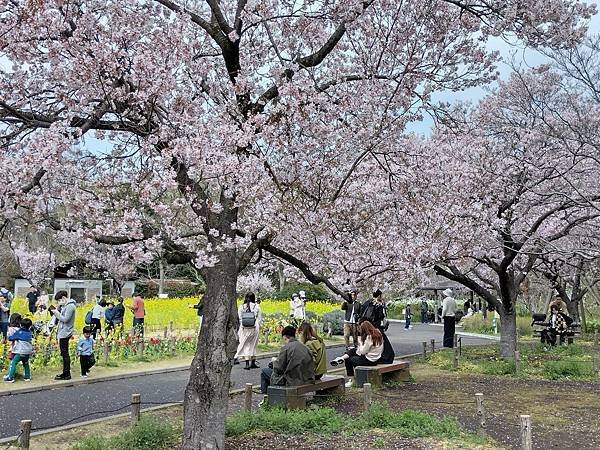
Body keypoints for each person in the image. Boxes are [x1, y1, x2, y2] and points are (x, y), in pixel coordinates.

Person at [259, 326, 314, 397]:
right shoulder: (305, 347)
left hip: (292, 381)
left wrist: (274, 363)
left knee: (264, 372)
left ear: (285, 337)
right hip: (307, 380)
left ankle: (267, 398)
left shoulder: (286, 348)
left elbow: (279, 369)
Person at [331, 321, 384, 388]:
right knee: (353, 350)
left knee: (349, 360)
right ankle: (340, 358)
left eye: (361, 329)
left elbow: (362, 352)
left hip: (369, 361)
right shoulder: (378, 334)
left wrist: (360, 342)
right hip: (376, 358)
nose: (360, 330)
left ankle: (351, 380)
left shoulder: (369, 338)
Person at [49, 290, 77, 380]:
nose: (59, 302)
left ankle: (66, 374)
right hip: (63, 331)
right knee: (64, 353)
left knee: (65, 354)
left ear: (63, 298)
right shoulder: (65, 305)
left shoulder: (70, 306)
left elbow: (65, 319)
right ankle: (65, 372)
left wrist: (56, 313)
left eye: (59, 300)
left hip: (65, 332)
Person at [234, 292, 261, 370]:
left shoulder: (241, 307)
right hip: (255, 327)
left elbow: (239, 318)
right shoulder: (257, 306)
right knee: (253, 344)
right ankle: (253, 362)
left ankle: (246, 364)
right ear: (254, 298)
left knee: (245, 344)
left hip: (244, 327)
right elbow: (259, 319)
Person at [3, 317, 33, 383]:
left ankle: (10, 377)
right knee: (25, 363)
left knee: (13, 363)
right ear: (30, 326)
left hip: (20, 352)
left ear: (21, 325)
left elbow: (11, 338)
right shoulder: (30, 333)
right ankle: (27, 377)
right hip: (28, 352)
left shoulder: (19, 332)